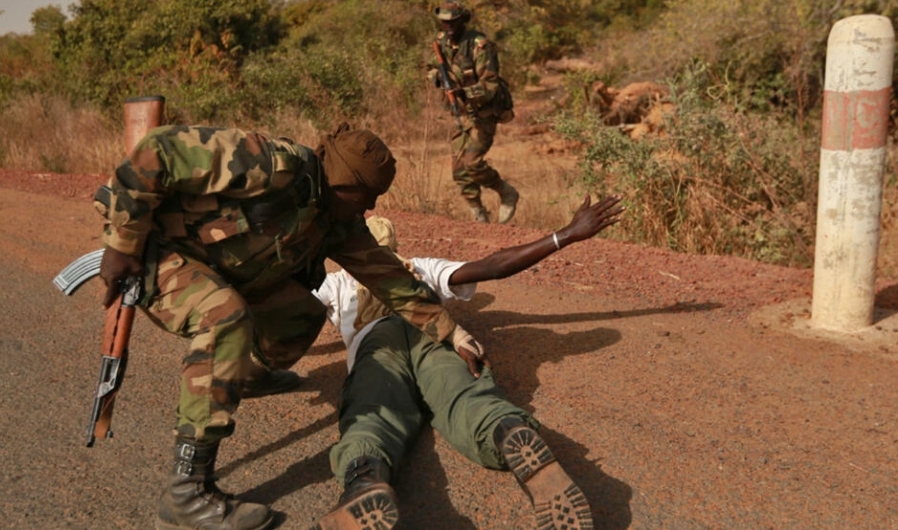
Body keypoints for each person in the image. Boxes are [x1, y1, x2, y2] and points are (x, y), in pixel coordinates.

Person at [96, 122, 477, 530]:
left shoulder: (336, 220)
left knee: (302, 314)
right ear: (343, 182)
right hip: (157, 256)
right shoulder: (271, 164)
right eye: (365, 198)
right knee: (225, 317)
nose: (367, 210)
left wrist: (451, 332)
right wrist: (122, 244)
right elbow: (158, 149)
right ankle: (185, 494)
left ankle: (243, 375)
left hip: (224, 266)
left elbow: (388, 277)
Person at [310, 194, 624, 530]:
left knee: (372, 410)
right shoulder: (421, 268)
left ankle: (365, 478)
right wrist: (566, 234)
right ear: (395, 247)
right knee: (465, 395)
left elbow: (284, 308)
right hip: (435, 334)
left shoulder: (338, 283)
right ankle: (506, 430)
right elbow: (493, 265)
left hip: (377, 346)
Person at [429, 1, 520, 224]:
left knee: (472, 163)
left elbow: (491, 85)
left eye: (453, 21)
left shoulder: (480, 45)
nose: (448, 25)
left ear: (463, 20)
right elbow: (431, 69)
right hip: (459, 113)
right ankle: (478, 214)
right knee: (459, 170)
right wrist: (438, 78)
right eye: (444, 21)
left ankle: (505, 191)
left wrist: (464, 91)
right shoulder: (441, 42)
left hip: (483, 113)